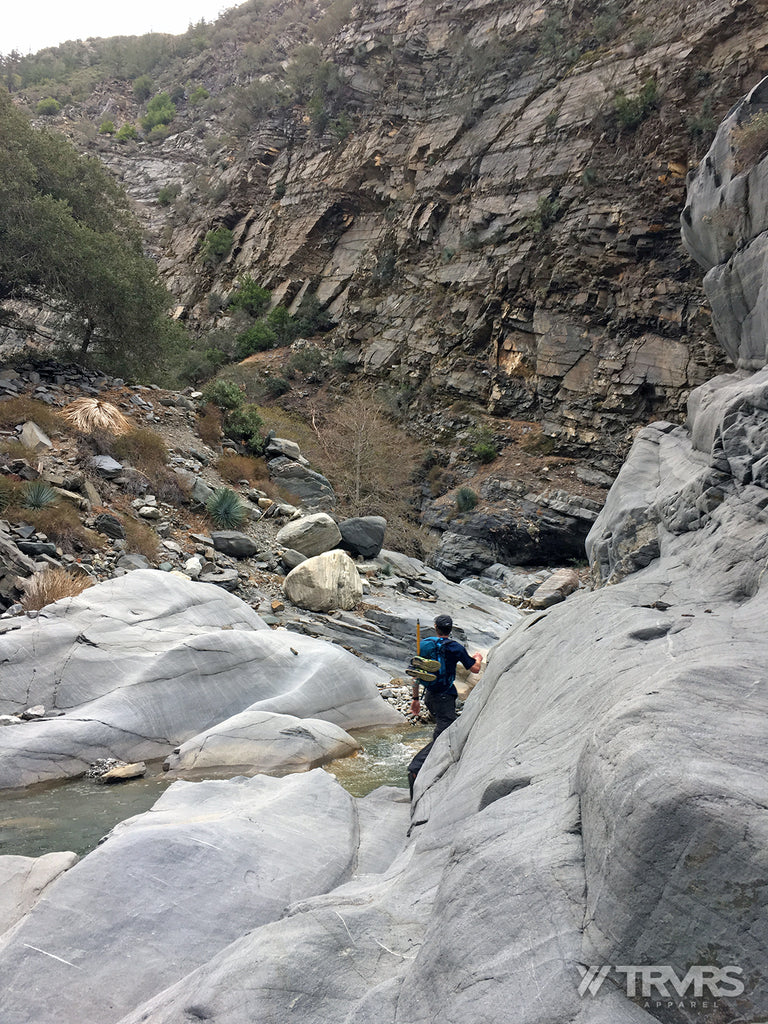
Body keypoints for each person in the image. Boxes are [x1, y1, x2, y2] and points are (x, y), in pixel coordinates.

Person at [406, 614, 482, 798]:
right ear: (451, 629)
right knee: (444, 737)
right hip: (445, 697)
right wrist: (477, 657)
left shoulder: (424, 645)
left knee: (443, 730)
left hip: (429, 696)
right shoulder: (455, 647)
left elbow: (417, 673)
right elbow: (475, 669)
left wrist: (415, 699)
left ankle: (432, 771)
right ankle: (416, 768)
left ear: (435, 627)